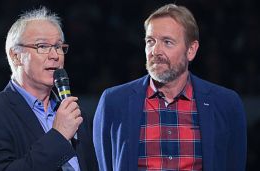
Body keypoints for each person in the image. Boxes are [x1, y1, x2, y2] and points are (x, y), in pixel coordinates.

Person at [93, 3, 246, 171]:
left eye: (167, 42)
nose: (155, 51)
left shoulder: (225, 103)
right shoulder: (114, 102)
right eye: (150, 41)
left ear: (191, 50)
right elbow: (104, 163)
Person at [0, 7, 98, 171]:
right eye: (42, 46)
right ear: (16, 56)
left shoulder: (75, 114)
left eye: (58, 46)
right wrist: (58, 136)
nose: (55, 55)